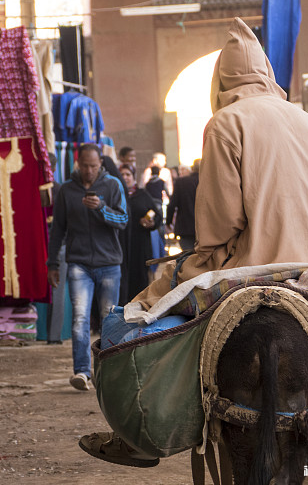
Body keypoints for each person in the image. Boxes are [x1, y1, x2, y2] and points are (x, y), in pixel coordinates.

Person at [80, 16, 308, 464]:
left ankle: (141, 436)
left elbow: (219, 228)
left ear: (222, 80)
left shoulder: (225, 124)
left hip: (253, 268)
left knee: (131, 319)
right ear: (266, 73)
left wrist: (191, 264)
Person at [47, 143, 128, 390]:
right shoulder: (66, 191)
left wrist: (101, 208)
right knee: (80, 318)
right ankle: (82, 372)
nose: (89, 170)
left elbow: (123, 220)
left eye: (94, 166)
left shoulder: (112, 185)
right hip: (78, 263)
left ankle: (107, 372)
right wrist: (52, 263)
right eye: (85, 166)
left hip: (109, 264)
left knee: (108, 320)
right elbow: (58, 229)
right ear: (78, 163)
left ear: (100, 164)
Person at [119, 164, 163, 301]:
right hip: (121, 245)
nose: (125, 178)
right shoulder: (116, 194)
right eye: (122, 175)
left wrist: (151, 223)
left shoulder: (142, 194)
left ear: (133, 176)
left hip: (140, 245)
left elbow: (157, 215)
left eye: (128, 174)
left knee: (140, 280)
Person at [166, 158, 200, 251]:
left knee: (187, 258)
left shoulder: (181, 182)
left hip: (186, 228)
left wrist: (168, 222)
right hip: (206, 229)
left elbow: (172, 205)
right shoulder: (210, 182)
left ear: (192, 169)